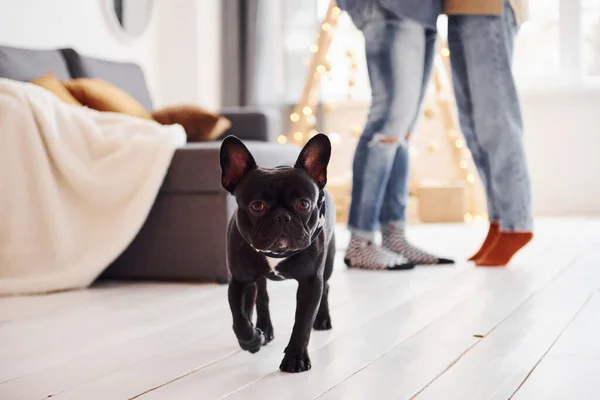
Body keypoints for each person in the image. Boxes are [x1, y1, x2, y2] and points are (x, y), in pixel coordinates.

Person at [337, 0, 454, 270]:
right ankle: (361, 242)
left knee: (402, 131)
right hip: (389, 8)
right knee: (388, 122)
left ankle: (394, 236)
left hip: (424, 12)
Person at [445, 0, 534, 266]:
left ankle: (517, 223)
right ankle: (499, 221)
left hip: (489, 8)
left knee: (496, 120)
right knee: (473, 126)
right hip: (457, 9)